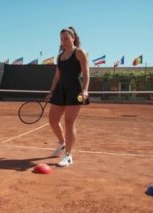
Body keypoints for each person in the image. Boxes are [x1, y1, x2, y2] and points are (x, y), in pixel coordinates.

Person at [46, 26, 90, 167]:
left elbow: (86, 73)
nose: (63, 41)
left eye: (66, 38)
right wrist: (51, 92)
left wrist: (85, 90)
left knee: (69, 122)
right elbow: (56, 77)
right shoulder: (60, 56)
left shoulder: (79, 52)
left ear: (73, 38)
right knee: (52, 120)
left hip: (74, 91)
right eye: (61, 39)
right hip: (60, 90)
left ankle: (68, 155)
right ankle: (62, 143)